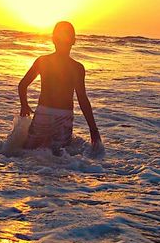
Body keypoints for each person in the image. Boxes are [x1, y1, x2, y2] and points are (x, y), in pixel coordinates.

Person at [18, 21, 101, 155]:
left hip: (43, 113)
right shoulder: (77, 68)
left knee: (29, 152)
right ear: (74, 41)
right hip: (64, 116)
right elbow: (82, 99)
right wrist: (93, 129)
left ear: (53, 40)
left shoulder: (42, 61)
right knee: (59, 156)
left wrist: (24, 105)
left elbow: (22, 85)